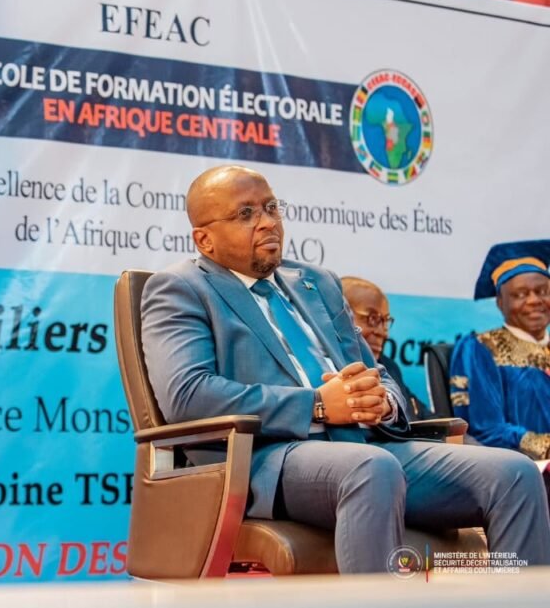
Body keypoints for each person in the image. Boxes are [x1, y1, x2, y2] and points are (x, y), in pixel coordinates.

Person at [140, 164, 550, 573]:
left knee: (514, 473)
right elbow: (187, 395)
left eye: (271, 207)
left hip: (368, 443)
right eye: (246, 214)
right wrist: (317, 405)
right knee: (372, 468)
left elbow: (375, 372)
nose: (267, 222)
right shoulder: (182, 288)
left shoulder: (316, 282)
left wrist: (382, 402)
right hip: (269, 457)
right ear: (205, 240)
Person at [449, 240, 550, 460]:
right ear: (500, 302)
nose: (534, 301)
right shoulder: (480, 348)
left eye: (542, 291)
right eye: (520, 294)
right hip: (521, 467)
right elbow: (486, 429)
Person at [340, 276, 434, 422]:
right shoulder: (329, 371)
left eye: (385, 321)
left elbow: (423, 417)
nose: (383, 333)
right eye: (372, 319)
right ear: (340, 316)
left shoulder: (388, 367)